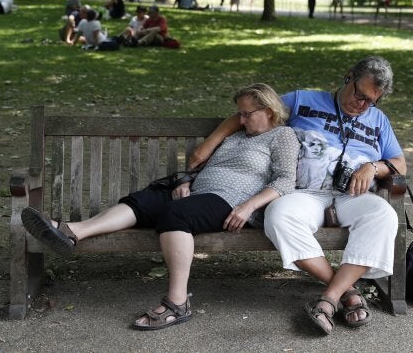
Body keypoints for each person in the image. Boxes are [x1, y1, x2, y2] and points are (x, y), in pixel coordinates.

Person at [20, 83, 300, 330]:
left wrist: (248, 206)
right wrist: (188, 180)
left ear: (269, 111)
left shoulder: (283, 136)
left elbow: (286, 180)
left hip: (231, 202)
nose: (239, 119)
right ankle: (70, 232)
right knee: (144, 201)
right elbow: (212, 166)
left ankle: (178, 303)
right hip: (199, 193)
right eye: (239, 113)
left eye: (246, 114)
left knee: (175, 215)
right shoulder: (236, 136)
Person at [190, 56, 406, 335]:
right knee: (278, 215)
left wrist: (373, 166)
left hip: (353, 195)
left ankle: (328, 299)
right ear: (348, 77)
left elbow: (399, 163)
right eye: (359, 95)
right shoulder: (303, 100)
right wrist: (208, 146)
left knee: (384, 215)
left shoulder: (378, 121)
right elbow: (250, 111)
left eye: (371, 101)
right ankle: (346, 292)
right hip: (305, 192)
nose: (362, 105)